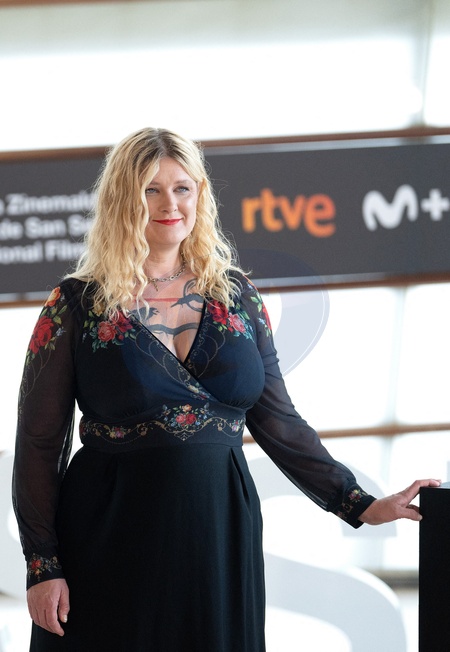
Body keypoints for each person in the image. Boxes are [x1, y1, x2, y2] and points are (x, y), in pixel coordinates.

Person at [12, 127, 439, 652]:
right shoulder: (75, 304)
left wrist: (361, 503)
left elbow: (279, 421)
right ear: (123, 200)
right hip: (108, 535)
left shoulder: (238, 295)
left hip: (219, 533)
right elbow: (39, 443)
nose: (169, 204)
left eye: (182, 188)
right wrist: (43, 564)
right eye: (150, 190)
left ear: (200, 196)